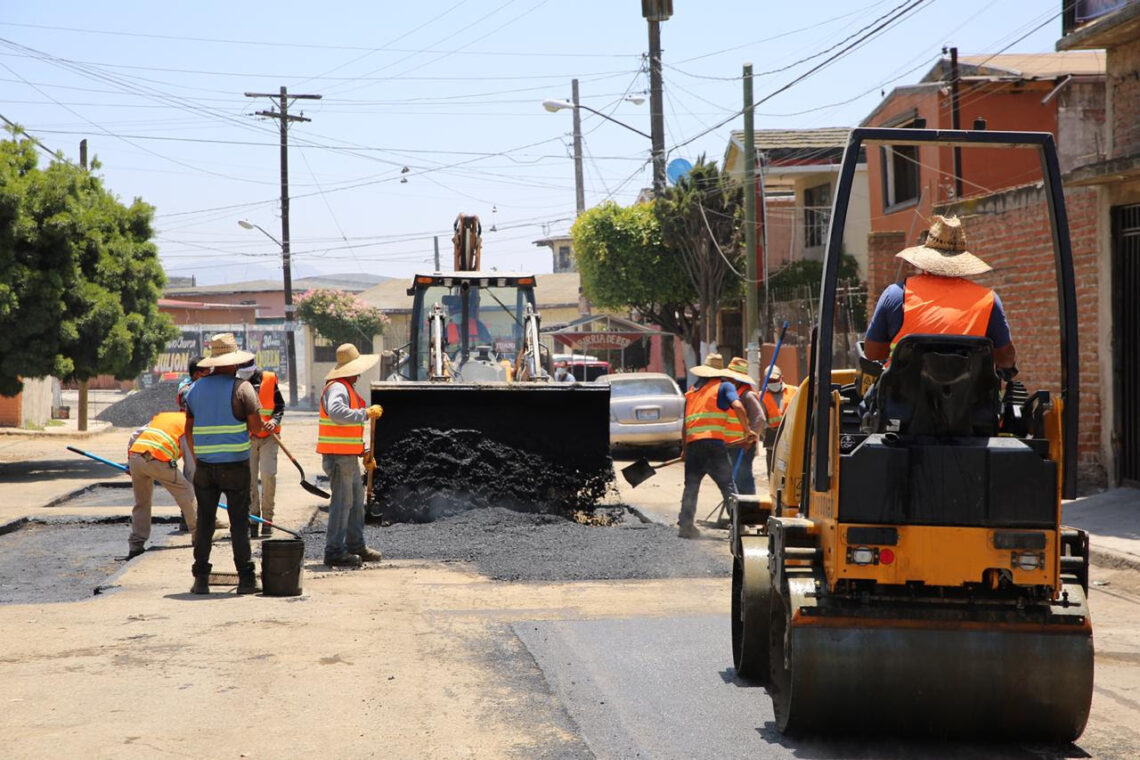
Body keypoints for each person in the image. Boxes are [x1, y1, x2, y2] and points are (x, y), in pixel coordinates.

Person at [864, 215, 1016, 369]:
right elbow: (1006, 359)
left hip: (903, 392)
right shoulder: (988, 300)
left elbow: (873, 353)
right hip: (969, 393)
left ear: (924, 260)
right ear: (962, 264)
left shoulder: (896, 295)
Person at [184, 333, 265, 595]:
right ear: (234, 362)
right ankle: (246, 579)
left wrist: (199, 459)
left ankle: (201, 580)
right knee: (239, 523)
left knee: (205, 522)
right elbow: (255, 427)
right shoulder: (242, 389)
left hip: (205, 468)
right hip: (236, 466)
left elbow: (188, 430)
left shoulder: (194, 389)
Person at [318, 343, 385, 568]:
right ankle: (334, 551)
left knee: (356, 503)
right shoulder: (338, 388)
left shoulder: (346, 388)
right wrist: (365, 413)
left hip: (347, 456)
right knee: (342, 503)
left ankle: (356, 545)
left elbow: (346, 430)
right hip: (338, 458)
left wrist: (363, 451)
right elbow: (337, 414)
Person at [678, 353, 758, 539]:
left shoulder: (692, 392)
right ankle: (739, 527)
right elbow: (738, 406)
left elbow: (685, 424)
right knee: (727, 485)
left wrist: (684, 449)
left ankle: (686, 526)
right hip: (714, 446)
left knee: (691, 486)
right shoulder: (724, 386)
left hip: (693, 446)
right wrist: (747, 430)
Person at [124, 411, 198, 560]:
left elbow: (134, 435)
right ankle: (198, 535)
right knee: (186, 491)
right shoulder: (188, 425)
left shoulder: (163, 417)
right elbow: (190, 467)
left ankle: (136, 545)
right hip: (157, 457)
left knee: (142, 503)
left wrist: (129, 464)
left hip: (136, 456)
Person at [238, 358, 284, 538]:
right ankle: (253, 519)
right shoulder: (238, 383)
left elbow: (279, 406)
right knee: (249, 480)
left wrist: (274, 420)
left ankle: (267, 520)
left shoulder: (269, 379)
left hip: (269, 438)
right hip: (248, 438)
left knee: (268, 476)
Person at [175, 354, 212, 532]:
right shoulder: (186, 387)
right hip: (189, 435)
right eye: (207, 371)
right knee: (191, 476)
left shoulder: (202, 385)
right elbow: (187, 399)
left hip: (202, 436)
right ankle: (188, 517)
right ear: (197, 374)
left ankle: (202, 515)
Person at [725, 356, 762, 495]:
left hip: (744, 445)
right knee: (735, 480)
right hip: (734, 444)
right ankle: (738, 511)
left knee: (743, 479)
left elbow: (759, 419)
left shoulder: (747, 395)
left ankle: (749, 510)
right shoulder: (734, 393)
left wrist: (750, 438)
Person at [759, 365, 797, 474]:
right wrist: (767, 434)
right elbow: (761, 419)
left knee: (790, 470)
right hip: (773, 438)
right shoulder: (761, 396)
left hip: (791, 435)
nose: (772, 382)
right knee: (773, 471)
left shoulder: (794, 391)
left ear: (781, 378)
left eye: (774, 380)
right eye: (769, 380)